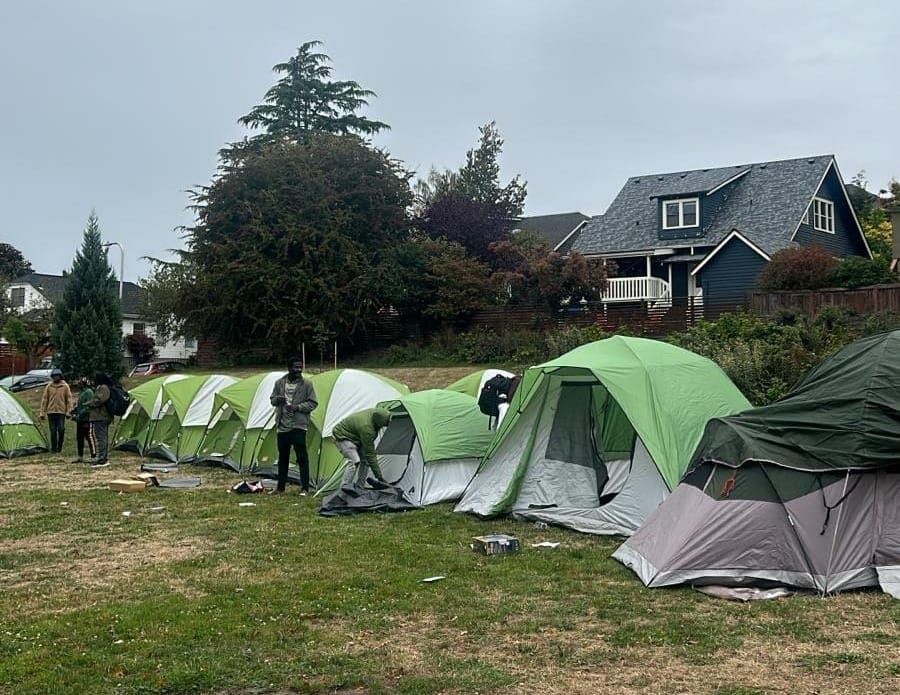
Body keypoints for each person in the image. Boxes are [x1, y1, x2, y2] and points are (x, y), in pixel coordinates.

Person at [269, 358, 317, 494]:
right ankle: (280, 488)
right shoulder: (279, 383)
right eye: (296, 367)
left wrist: (297, 407)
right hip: (282, 425)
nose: (298, 370)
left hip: (298, 425)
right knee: (283, 457)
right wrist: (278, 400)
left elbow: (313, 403)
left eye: (300, 367)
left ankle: (305, 488)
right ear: (289, 368)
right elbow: (272, 400)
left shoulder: (307, 384)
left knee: (302, 457)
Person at [332, 407, 392, 489]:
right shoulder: (367, 428)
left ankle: (359, 487)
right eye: (385, 424)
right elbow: (370, 453)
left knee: (366, 461)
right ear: (380, 422)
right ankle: (342, 490)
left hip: (356, 438)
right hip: (341, 436)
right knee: (354, 461)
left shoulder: (377, 414)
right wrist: (379, 477)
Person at [39, 368, 74, 454]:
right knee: (53, 431)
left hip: (61, 412)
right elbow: (45, 400)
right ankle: (54, 448)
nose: (56, 378)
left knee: (61, 429)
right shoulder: (49, 386)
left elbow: (69, 399)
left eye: (57, 376)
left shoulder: (65, 386)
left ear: (60, 376)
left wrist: (69, 411)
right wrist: (42, 413)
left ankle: (59, 447)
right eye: (54, 376)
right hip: (51, 412)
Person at [88, 372, 113, 468]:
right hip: (99, 417)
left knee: (101, 438)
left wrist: (90, 403)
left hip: (102, 416)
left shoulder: (104, 388)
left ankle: (102, 458)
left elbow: (100, 400)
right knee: (100, 437)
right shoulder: (101, 387)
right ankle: (101, 457)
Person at [70, 377, 96, 463]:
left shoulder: (89, 392)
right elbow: (80, 405)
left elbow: (88, 407)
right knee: (79, 438)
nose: (78, 384)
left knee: (89, 437)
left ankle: (94, 456)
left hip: (87, 419)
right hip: (80, 419)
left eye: (80, 383)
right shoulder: (82, 393)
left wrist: (79, 414)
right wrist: (74, 411)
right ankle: (80, 456)